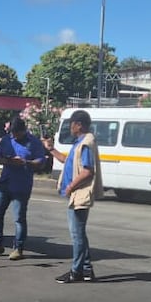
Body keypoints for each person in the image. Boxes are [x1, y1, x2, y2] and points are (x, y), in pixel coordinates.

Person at [45, 109, 102, 283]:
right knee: (80, 233)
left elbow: (87, 171)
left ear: (79, 125)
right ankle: (86, 269)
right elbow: (65, 160)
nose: (70, 127)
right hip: (76, 194)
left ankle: (76, 271)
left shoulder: (86, 143)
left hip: (80, 194)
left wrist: (70, 186)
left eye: (72, 123)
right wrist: (51, 149)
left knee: (76, 234)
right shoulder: (79, 142)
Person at [0, 117, 46, 261]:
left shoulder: (33, 142)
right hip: (5, 182)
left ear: (24, 130)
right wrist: (9, 161)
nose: (14, 136)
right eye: (12, 133)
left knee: (19, 218)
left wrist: (26, 162)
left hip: (22, 185)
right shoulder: (6, 140)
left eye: (17, 134)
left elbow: (41, 162)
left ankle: (19, 248)